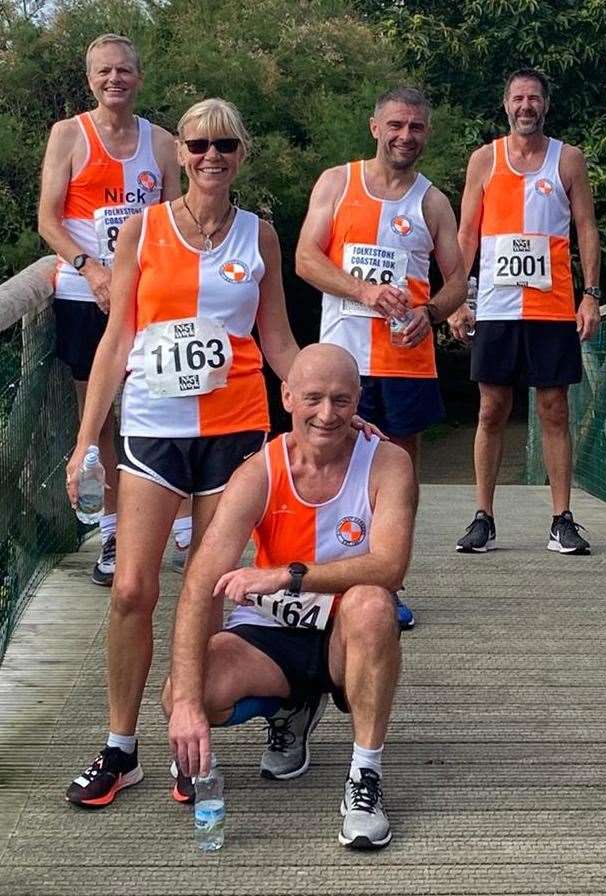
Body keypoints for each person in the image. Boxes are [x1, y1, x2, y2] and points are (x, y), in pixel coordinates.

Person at [62, 97, 303, 809]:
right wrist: (84, 442)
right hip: (153, 427)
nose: (210, 157)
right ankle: (120, 746)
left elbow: (279, 342)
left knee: (206, 589)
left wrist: (330, 405)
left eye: (224, 145)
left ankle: (187, 738)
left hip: (232, 430)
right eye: (198, 145)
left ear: (241, 154)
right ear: (180, 154)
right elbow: (116, 340)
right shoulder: (143, 230)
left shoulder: (259, 237)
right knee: (135, 587)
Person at [167, 344, 414, 850]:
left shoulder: (388, 462)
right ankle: (291, 710)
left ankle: (364, 777)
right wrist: (189, 705)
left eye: (342, 401)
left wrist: (288, 575)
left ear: (359, 401)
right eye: (314, 399)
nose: (327, 414)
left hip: (345, 634)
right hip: (270, 635)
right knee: (183, 692)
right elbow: (200, 582)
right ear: (287, 397)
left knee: (372, 602)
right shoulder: (258, 471)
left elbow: (391, 565)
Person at [296, 86, 467, 630]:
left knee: (398, 481)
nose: (404, 136)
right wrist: (363, 291)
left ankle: (387, 586)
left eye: (415, 127)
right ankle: (323, 582)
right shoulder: (337, 182)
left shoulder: (432, 201)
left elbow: (459, 279)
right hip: (341, 363)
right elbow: (304, 258)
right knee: (326, 469)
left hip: (404, 360)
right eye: (396, 125)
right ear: (375, 127)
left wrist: (433, 314)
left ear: (426, 133)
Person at [37, 33, 179, 586]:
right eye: (103, 72)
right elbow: (48, 218)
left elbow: (173, 223)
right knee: (97, 416)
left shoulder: (164, 143)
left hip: (148, 297)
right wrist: (91, 269)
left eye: (123, 70)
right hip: (83, 293)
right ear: (90, 79)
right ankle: (114, 533)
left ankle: (173, 525)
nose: (114, 79)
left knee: (158, 403)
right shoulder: (68, 134)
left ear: (139, 77)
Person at [449, 68, 601, 555]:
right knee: (491, 408)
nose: (526, 106)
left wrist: (592, 294)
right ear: (506, 104)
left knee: (554, 408)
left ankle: (561, 518)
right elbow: (466, 233)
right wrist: (457, 297)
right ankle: (483, 517)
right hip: (495, 306)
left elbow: (586, 229)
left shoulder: (568, 159)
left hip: (551, 306)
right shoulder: (484, 160)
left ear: (546, 105)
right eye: (518, 98)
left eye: (534, 98)